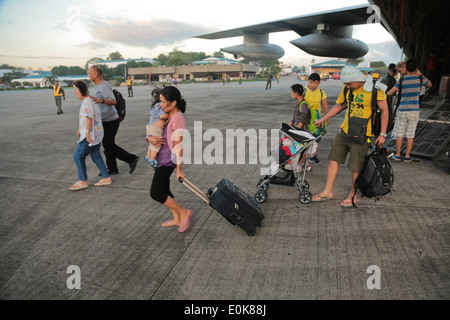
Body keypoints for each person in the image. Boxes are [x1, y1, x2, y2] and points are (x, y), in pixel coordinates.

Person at [311, 66, 389, 207]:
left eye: (349, 83)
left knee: (355, 166)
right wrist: (323, 119)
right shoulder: (347, 89)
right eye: (345, 84)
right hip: (345, 130)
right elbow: (339, 106)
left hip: (363, 134)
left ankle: (353, 194)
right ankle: (328, 191)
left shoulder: (375, 90)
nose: (347, 86)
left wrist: (382, 134)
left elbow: (384, 111)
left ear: (359, 80)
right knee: (334, 159)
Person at [148, 86, 193, 233]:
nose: (160, 105)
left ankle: (184, 212)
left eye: (162, 102)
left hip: (168, 161)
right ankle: (177, 218)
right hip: (162, 159)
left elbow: (179, 145)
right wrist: (151, 138)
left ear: (173, 103)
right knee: (164, 190)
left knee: (156, 193)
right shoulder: (170, 115)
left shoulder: (178, 119)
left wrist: (179, 170)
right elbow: (156, 129)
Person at [88, 65, 139, 175]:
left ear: (95, 74)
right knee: (108, 144)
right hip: (105, 120)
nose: (88, 75)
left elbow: (113, 101)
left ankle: (131, 158)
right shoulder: (99, 86)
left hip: (110, 121)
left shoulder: (103, 86)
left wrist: (101, 101)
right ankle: (112, 168)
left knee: (109, 145)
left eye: (89, 73)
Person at [387, 59, 432, 162]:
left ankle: (397, 155)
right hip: (414, 111)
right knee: (410, 135)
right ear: (416, 68)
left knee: (400, 134)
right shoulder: (420, 80)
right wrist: (421, 75)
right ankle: (407, 156)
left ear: (406, 68)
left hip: (402, 110)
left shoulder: (402, 80)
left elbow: (390, 93)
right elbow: (430, 84)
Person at [69, 80, 111, 191]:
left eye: (76, 90)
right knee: (95, 155)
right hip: (97, 133)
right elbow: (90, 117)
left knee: (78, 156)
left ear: (80, 91)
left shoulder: (87, 102)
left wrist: (86, 133)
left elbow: (89, 118)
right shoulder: (91, 100)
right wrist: (80, 129)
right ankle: (106, 178)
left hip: (90, 134)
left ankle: (82, 181)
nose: (76, 93)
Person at [303, 73, 330, 165]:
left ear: (318, 83)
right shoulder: (304, 91)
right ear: (308, 82)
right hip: (306, 119)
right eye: (310, 82)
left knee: (317, 138)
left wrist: (327, 118)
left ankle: (313, 156)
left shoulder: (321, 92)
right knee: (305, 138)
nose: (312, 84)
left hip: (317, 120)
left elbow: (325, 105)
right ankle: (304, 158)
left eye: (315, 82)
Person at [289, 84, 311, 171]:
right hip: (299, 128)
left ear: (296, 93)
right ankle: (307, 165)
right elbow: (296, 116)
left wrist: (297, 130)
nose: (291, 94)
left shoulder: (303, 104)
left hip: (303, 131)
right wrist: (292, 122)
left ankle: (300, 165)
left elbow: (303, 119)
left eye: (292, 92)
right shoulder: (299, 102)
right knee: (301, 148)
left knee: (301, 148)